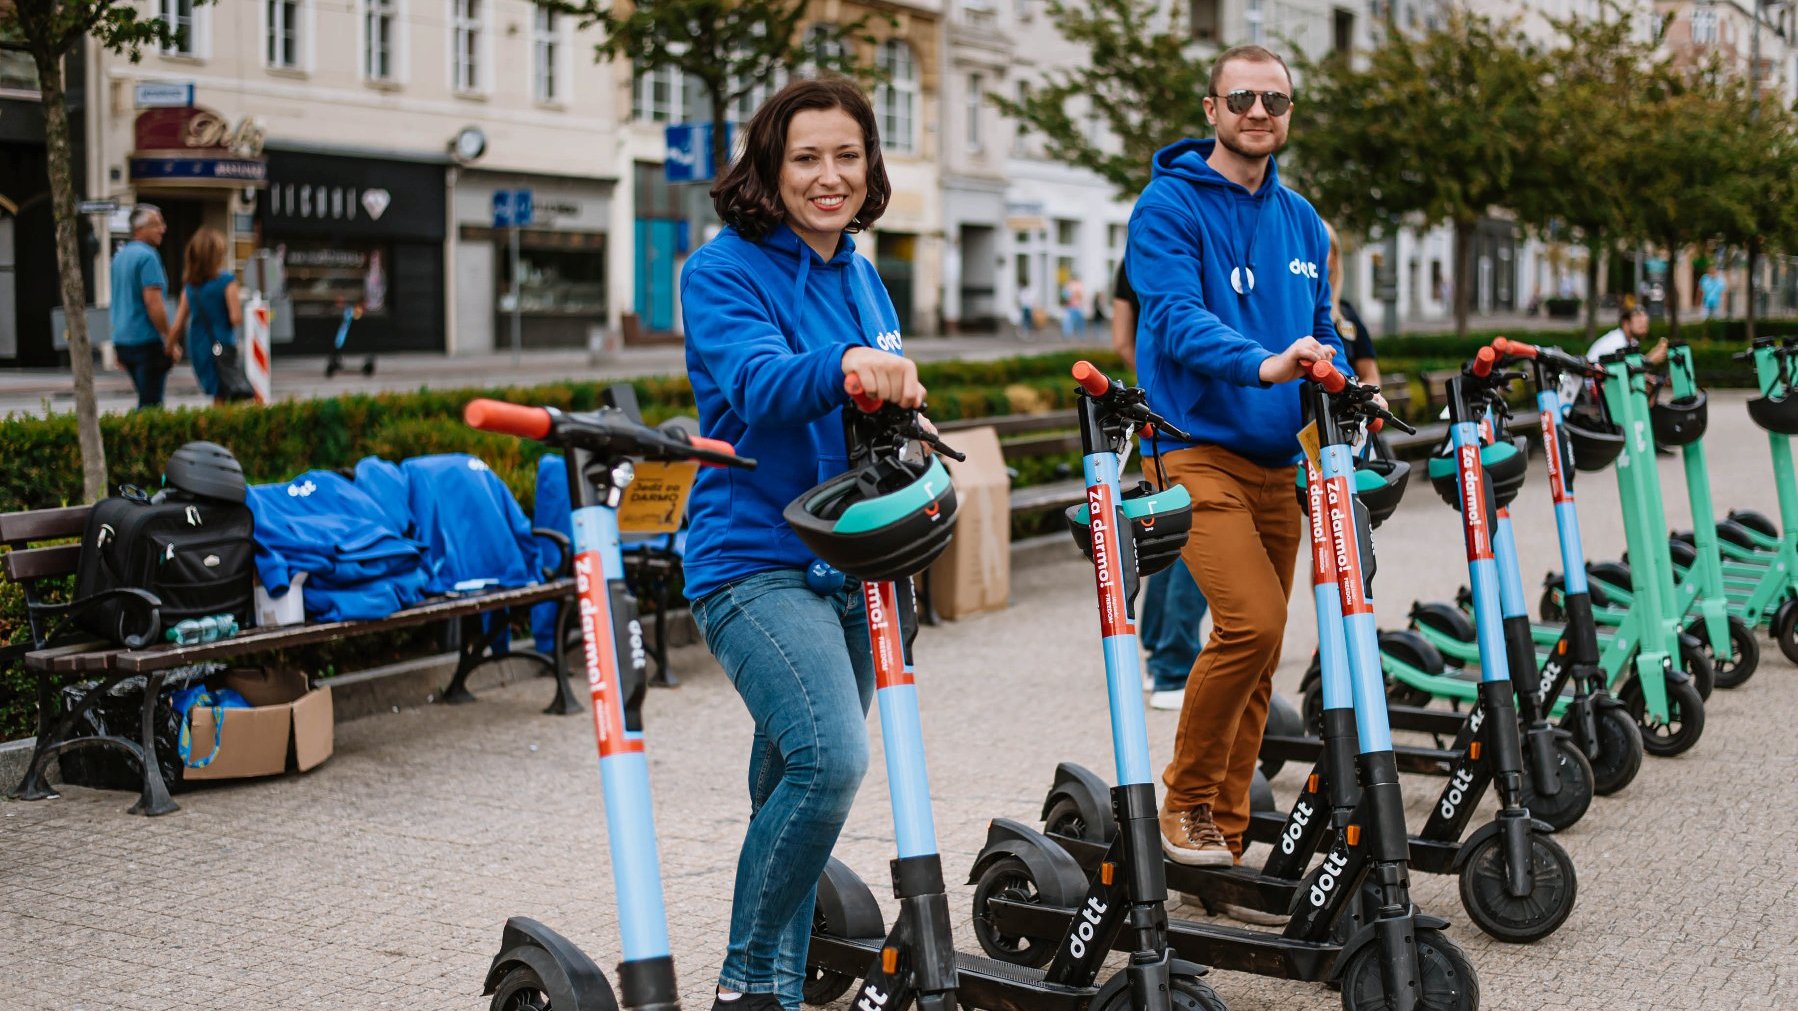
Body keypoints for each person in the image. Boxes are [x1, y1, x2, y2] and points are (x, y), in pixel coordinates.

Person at [678, 77, 923, 1011]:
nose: (830, 176)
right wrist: (849, 364)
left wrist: (899, 391)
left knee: (791, 783)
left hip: (855, 558)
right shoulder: (722, 269)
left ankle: (777, 991)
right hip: (754, 558)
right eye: (807, 158)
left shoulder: (860, 271)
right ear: (770, 169)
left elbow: (872, 392)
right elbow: (758, 384)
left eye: (847, 156)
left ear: (870, 166)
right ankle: (745, 984)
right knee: (833, 760)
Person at [1126, 44, 1346, 896]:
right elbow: (1175, 319)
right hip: (1191, 447)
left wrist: (1335, 375)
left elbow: (1321, 322)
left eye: (1277, 100)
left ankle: (1223, 830)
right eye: (1243, 97)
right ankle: (1183, 802)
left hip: (1277, 459)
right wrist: (1265, 365)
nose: (1260, 112)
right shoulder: (1168, 207)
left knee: (1262, 650)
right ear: (1212, 108)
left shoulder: (1303, 220)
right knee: (1251, 622)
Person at [1112, 259, 1209, 711]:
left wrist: (1151, 379)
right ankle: (1171, 666)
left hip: (1155, 409)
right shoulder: (1195, 246)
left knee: (1167, 527)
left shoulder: (1136, 257)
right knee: (1192, 533)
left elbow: (1121, 340)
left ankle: (1156, 648)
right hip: (1192, 415)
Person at [109, 205, 178, 409]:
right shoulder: (148, 257)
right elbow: (153, 302)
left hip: (123, 341)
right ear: (139, 230)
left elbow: (118, 301)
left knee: (146, 399)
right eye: (156, 224)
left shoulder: (119, 258)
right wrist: (169, 338)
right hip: (146, 341)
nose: (162, 229)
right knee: (151, 404)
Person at [169, 226, 244, 404]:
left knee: (219, 393)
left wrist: (169, 348)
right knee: (229, 390)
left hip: (199, 347)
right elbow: (236, 318)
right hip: (221, 345)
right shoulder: (227, 281)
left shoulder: (190, 287)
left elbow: (178, 324)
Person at [1559, 305, 1666, 409]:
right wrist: (1649, 360)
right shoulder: (1615, 342)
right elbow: (1621, 371)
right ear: (1626, 323)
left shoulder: (1632, 342)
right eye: (1639, 319)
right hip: (1591, 386)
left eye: (1645, 320)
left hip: (1604, 383)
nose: (1644, 323)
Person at [1324, 221, 1379, 386]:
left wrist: (1359, 394)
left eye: (1322, 247)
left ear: (1334, 257)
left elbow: (1371, 376)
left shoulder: (1346, 314)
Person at [1062, 274, 1087, 340]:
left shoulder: (1078, 285)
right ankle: (1068, 335)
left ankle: (1080, 335)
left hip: (1077, 306)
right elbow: (1066, 295)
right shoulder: (1069, 285)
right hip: (1071, 306)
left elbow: (1080, 295)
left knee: (1079, 322)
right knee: (1069, 322)